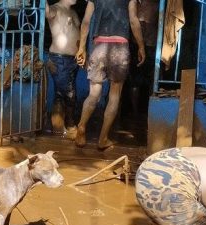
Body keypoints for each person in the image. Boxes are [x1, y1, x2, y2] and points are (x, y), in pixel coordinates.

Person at [75, 0, 146, 150]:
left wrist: (82, 47)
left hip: (99, 46)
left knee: (93, 94)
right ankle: (103, 139)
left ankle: (82, 127)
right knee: (115, 95)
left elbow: (86, 21)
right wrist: (141, 46)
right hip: (120, 48)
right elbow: (134, 21)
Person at [45, 0, 81, 139]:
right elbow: (46, 12)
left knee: (62, 94)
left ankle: (58, 129)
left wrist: (82, 51)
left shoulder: (73, 12)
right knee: (69, 94)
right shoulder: (56, 9)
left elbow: (78, 33)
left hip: (73, 60)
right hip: (59, 59)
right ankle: (70, 125)